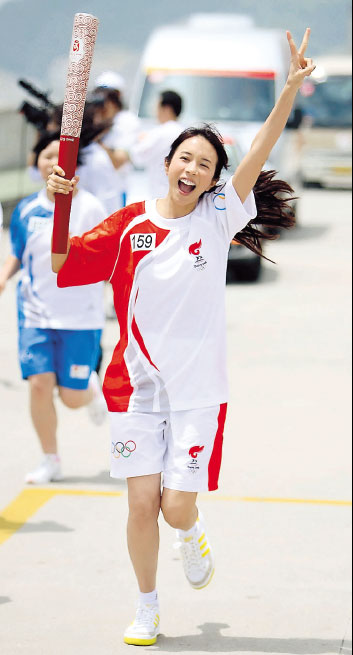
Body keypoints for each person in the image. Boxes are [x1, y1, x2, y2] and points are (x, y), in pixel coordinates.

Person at [47, 30, 315, 646]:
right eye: (184, 158)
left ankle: (191, 534)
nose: (192, 169)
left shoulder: (218, 219)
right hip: (134, 388)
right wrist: (56, 200)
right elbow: (64, 263)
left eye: (206, 164)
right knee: (140, 506)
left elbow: (262, 149)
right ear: (166, 162)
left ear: (215, 178)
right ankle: (147, 607)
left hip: (197, 391)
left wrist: (289, 92)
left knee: (174, 509)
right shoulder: (130, 225)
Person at [0, 131, 108, 485]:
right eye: (46, 156)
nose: (53, 162)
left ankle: (90, 389)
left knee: (73, 398)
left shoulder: (91, 207)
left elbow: (105, 257)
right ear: (38, 165)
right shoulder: (27, 210)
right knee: (39, 384)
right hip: (36, 313)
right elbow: (18, 252)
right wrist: (4, 276)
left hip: (81, 316)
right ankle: (51, 459)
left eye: (59, 156)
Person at [113, 90, 184, 199]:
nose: (154, 111)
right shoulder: (183, 131)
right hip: (179, 193)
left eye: (156, 106)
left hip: (162, 194)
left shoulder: (162, 132)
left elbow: (135, 155)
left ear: (166, 109)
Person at [93, 71, 141, 207]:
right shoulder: (93, 120)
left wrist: (96, 136)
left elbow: (117, 162)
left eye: (109, 96)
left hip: (115, 193)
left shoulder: (127, 121)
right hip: (89, 190)